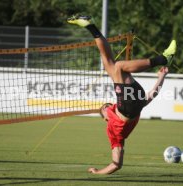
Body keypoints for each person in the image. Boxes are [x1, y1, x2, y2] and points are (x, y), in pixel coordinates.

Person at [67, 15, 176, 174]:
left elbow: (149, 97)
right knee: (116, 67)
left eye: (105, 106)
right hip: (130, 107)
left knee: (108, 62)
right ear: (105, 118)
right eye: (103, 109)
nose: (105, 106)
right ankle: (162, 59)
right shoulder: (113, 133)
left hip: (133, 102)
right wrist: (98, 172)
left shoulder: (116, 107)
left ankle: (90, 26)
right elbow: (116, 164)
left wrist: (161, 77)